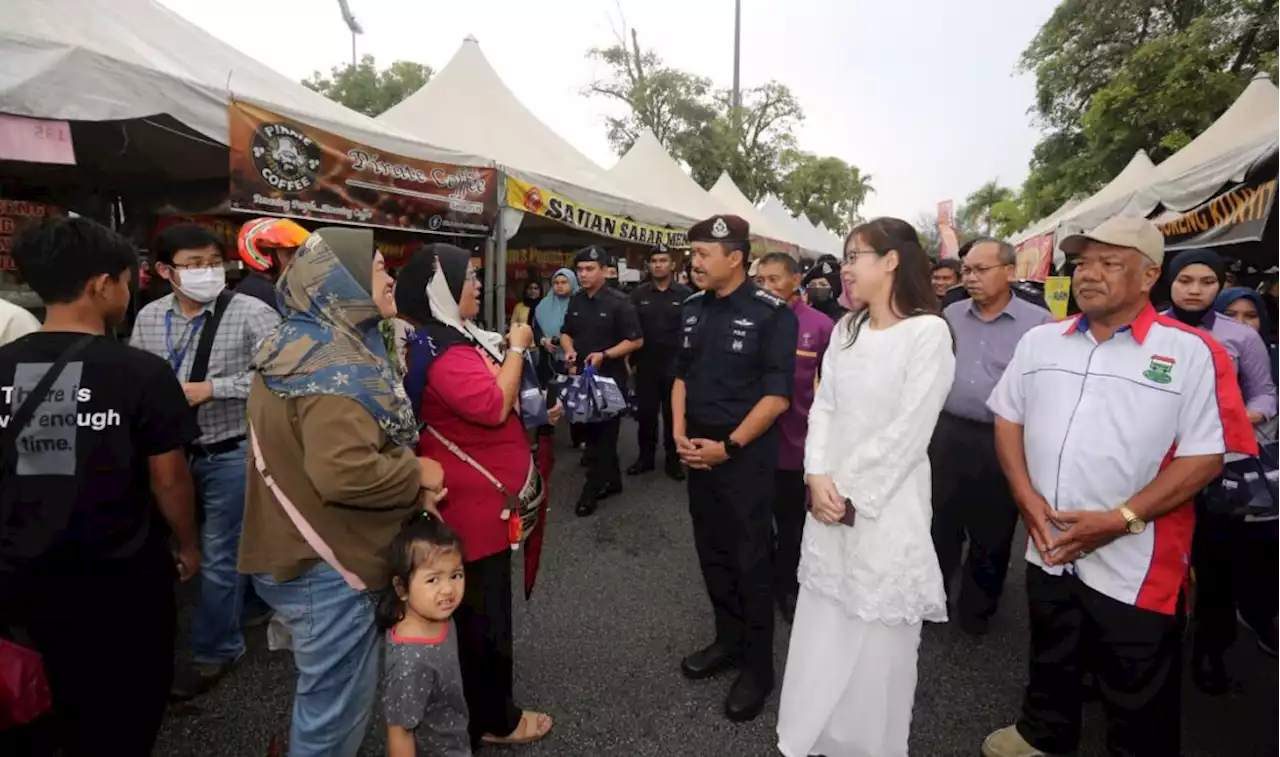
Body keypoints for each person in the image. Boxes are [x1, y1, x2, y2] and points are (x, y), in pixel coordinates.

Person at [980, 216, 1256, 757]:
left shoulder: (1194, 352)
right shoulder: (1042, 342)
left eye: (1110, 263)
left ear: (1149, 274)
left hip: (1138, 555)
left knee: (1137, 680)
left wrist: (1122, 519)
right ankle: (1044, 733)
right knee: (1052, 648)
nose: (1089, 275)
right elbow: (1007, 417)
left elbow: (1207, 455)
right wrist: (1025, 496)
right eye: (1083, 263)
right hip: (1049, 540)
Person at [238, 227, 445, 757]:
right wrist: (416, 471)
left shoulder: (299, 342)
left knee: (323, 699)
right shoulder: (333, 368)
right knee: (334, 719)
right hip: (328, 567)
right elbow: (345, 474)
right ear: (342, 281)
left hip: (295, 551)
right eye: (377, 266)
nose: (389, 276)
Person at [0, 217, 200, 755]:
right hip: (121, 586)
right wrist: (187, 544)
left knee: (36, 713)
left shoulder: (3, 365)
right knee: (122, 721)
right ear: (101, 285)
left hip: (17, 583)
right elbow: (170, 477)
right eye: (127, 279)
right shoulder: (140, 373)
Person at [776, 218, 953, 757]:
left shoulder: (928, 333)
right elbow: (823, 407)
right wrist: (816, 475)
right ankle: (816, 732)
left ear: (892, 261)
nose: (846, 269)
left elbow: (909, 430)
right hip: (828, 495)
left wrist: (845, 488)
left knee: (876, 632)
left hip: (885, 503)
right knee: (826, 617)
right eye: (845, 257)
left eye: (855, 256)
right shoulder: (847, 330)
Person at [395, 244, 555, 748]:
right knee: (484, 620)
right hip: (477, 511)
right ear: (442, 290)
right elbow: (490, 406)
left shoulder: (451, 338)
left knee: (480, 614)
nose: (479, 286)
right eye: (470, 279)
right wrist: (517, 348)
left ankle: (478, 709)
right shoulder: (443, 349)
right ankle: (494, 719)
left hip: (481, 502)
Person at [129, 223, 281, 699]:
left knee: (219, 554)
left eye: (213, 263)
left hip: (229, 450)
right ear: (164, 271)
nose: (207, 273)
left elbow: (282, 377)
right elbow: (136, 378)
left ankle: (216, 648)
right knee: (181, 548)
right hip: (169, 455)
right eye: (194, 265)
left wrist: (214, 388)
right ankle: (248, 604)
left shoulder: (252, 313)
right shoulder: (150, 318)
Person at [674, 214, 796, 722]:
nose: (694, 262)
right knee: (712, 554)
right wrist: (679, 434)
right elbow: (679, 376)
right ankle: (727, 640)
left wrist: (728, 445)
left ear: (735, 257)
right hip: (696, 455)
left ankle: (758, 667)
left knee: (750, 561)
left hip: (742, 460)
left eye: (703, 254)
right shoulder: (693, 308)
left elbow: (777, 397)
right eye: (694, 253)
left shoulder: (772, 314)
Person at [1162, 249, 1280, 693]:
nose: (1195, 289)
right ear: (1169, 282)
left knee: (1214, 570)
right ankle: (1147, 647)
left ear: (1219, 284)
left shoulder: (1240, 338)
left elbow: (1265, 396)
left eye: (1206, 281)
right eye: (1186, 280)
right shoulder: (1150, 327)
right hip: (1155, 468)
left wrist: (1234, 419)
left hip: (1218, 469)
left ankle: (1210, 652)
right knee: (1153, 560)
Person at [931, 239, 1054, 636]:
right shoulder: (950, 313)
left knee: (993, 530)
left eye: (981, 270)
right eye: (967, 270)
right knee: (939, 522)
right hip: (947, 433)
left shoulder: (1039, 325)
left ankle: (977, 610)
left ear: (1010, 272)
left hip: (1002, 439)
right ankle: (931, 598)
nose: (971, 278)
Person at [754, 251, 834, 624]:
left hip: (796, 445)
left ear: (796, 279)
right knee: (753, 519)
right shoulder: (751, 320)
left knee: (791, 524)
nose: (767, 287)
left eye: (775, 279)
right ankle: (760, 581)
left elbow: (833, 393)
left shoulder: (820, 326)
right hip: (751, 442)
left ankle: (788, 586)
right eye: (761, 280)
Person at [377, 513, 471, 757]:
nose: (449, 589)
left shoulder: (440, 616)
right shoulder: (410, 663)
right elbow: (400, 733)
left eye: (456, 575)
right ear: (401, 588)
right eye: (433, 579)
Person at [560, 245, 643, 517]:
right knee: (591, 431)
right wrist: (569, 349)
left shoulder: (620, 302)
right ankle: (614, 480)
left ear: (605, 271)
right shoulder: (576, 300)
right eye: (580, 269)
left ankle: (591, 490)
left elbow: (636, 340)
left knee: (603, 437)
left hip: (610, 380)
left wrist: (605, 354)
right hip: (583, 380)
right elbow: (565, 333)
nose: (583, 274)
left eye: (589, 269)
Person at [628, 245, 692, 480]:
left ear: (672, 265)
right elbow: (630, 331)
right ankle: (645, 458)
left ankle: (674, 461)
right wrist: (630, 362)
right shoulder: (638, 295)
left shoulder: (686, 295)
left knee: (673, 415)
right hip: (645, 365)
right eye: (654, 261)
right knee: (646, 415)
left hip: (676, 367)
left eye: (663, 260)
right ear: (649, 265)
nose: (658, 265)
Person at [534, 268, 585, 448]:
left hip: (574, 358)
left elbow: (585, 332)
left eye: (564, 282)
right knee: (548, 398)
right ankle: (544, 436)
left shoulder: (581, 304)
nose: (560, 286)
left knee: (575, 398)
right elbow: (535, 329)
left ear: (572, 283)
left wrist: (574, 356)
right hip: (549, 359)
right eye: (556, 283)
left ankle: (579, 438)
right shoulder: (543, 306)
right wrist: (543, 340)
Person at [234, 217, 310, 312]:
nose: (296, 259)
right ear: (263, 254)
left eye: (298, 253)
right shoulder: (263, 292)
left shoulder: (274, 286)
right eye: (289, 254)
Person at [801, 254, 848, 321]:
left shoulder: (843, 317)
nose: (817, 287)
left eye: (823, 284)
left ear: (833, 290)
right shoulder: (803, 313)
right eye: (813, 285)